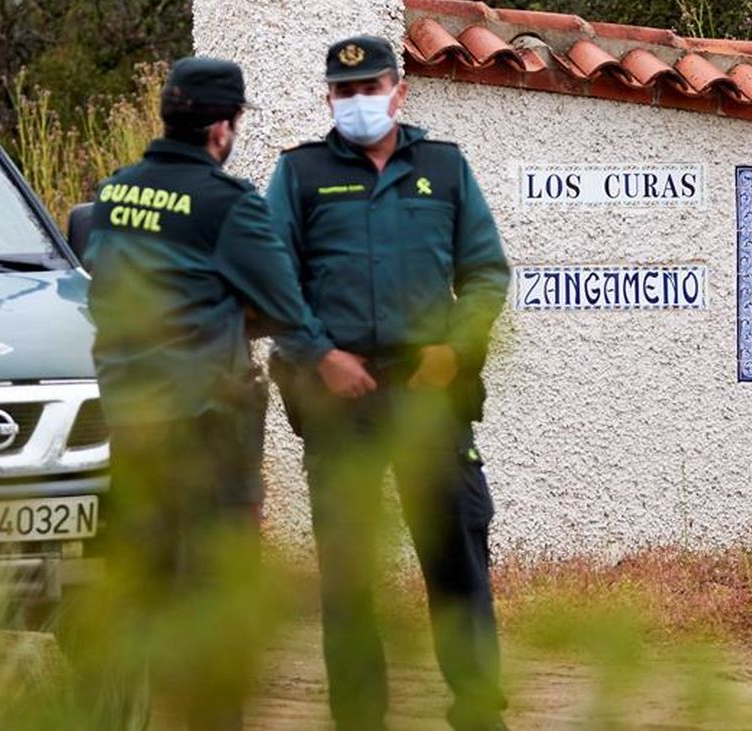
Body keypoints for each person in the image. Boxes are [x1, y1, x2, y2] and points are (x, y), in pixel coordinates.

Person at [264, 35, 511, 731]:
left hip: (429, 398)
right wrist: (318, 355)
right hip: (341, 400)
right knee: (348, 574)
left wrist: (456, 350)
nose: (360, 102)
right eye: (346, 92)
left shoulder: (445, 168)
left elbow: (488, 272)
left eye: (372, 88)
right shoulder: (301, 174)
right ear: (329, 99)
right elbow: (272, 281)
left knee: (455, 558)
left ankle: (478, 712)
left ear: (399, 92)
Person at [82, 56, 333, 731]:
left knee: (131, 595)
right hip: (209, 434)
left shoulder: (113, 195)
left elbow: (107, 294)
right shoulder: (229, 203)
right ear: (223, 126)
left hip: (131, 427)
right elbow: (284, 306)